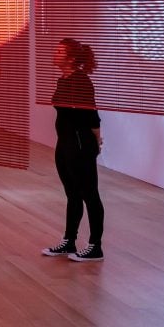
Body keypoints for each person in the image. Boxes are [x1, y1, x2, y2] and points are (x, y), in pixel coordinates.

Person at [41, 38, 104, 262]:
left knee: (90, 195)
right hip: (65, 145)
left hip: (80, 145)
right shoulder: (64, 80)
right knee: (73, 195)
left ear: (70, 57)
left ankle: (95, 247)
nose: (54, 53)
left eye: (59, 51)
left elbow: (92, 115)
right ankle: (69, 241)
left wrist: (96, 141)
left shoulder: (81, 81)